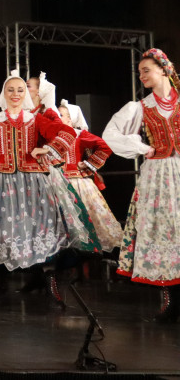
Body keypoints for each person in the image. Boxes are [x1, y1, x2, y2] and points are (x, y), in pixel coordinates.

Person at [0, 70, 80, 306]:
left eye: (21, 89)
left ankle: (49, 283)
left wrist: (47, 150)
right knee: (0, 232)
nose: (16, 94)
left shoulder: (35, 119)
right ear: (3, 93)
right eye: (11, 89)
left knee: (39, 229)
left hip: (32, 183)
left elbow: (67, 132)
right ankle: (3, 282)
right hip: (0, 184)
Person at [102, 48, 180, 322]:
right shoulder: (140, 107)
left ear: (163, 69)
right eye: (139, 72)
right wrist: (141, 147)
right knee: (163, 233)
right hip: (158, 176)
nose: (142, 75)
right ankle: (171, 301)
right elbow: (109, 134)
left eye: (146, 70)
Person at [57, 99, 121, 252]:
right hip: (58, 183)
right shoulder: (52, 136)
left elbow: (104, 147)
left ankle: (91, 253)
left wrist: (88, 164)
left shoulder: (79, 135)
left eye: (60, 115)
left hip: (77, 182)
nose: (57, 118)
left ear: (70, 119)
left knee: (89, 216)